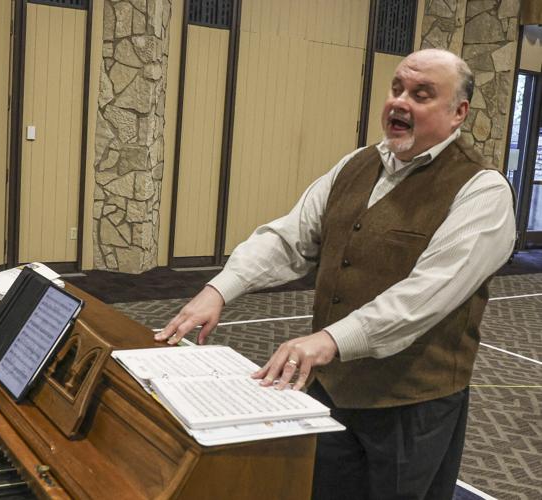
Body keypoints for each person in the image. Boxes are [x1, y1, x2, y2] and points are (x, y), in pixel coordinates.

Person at [156, 48, 516, 499]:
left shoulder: (482, 190)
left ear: (458, 112)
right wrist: (219, 289)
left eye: (421, 94)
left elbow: (425, 296)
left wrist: (328, 340)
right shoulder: (356, 164)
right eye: (397, 88)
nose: (400, 102)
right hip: (331, 388)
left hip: (411, 405)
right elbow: (289, 238)